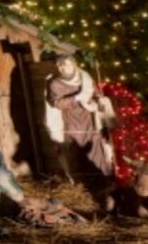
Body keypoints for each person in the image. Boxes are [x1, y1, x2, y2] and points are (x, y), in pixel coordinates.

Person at [45, 54, 115, 182]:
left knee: (95, 147)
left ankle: (102, 179)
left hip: (90, 119)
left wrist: (95, 102)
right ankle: (83, 181)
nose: (62, 69)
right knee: (76, 151)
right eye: (59, 66)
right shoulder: (55, 83)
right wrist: (76, 98)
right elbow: (56, 103)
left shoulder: (85, 78)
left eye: (65, 65)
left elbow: (97, 95)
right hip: (72, 122)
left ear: (74, 65)